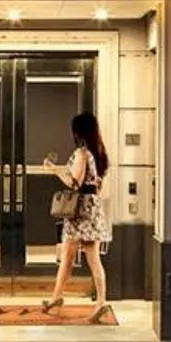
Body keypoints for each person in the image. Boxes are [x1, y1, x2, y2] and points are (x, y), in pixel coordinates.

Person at [38, 112, 111, 316]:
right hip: (93, 209)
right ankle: (101, 302)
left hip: (79, 212)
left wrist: (54, 170)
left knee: (67, 256)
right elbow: (97, 187)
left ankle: (57, 297)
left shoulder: (81, 153)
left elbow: (74, 182)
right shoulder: (98, 154)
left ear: (78, 132)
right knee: (92, 258)